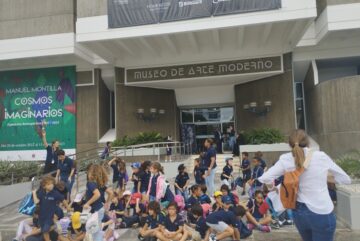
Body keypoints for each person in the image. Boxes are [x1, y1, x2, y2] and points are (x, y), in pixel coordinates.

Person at [258, 129, 351, 241]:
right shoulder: (320, 156)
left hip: (299, 212)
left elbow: (266, 178)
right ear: (308, 142)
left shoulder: (285, 159)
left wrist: (271, 188)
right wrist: (323, 177)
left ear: (289, 144)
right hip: (321, 211)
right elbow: (345, 179)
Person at [32, 176, 71, 241]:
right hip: (41, 217)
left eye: (52, 183)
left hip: (49, 217)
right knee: (45, 231)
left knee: (45, 231)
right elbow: (36, 202)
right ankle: (56, 227)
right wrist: (33, 193)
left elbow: (63, 199)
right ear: (44, 186)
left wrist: (68, 207)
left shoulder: (55, 193)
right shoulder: (41, 192)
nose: (51, 185)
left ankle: (55, 226)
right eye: (48, 184)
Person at [83, 164, 107, 241]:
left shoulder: (90, 183)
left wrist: (87, 203)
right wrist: (107, 204)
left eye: (88, 171)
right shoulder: (98, 184)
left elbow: (97, 194)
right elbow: (110, 192)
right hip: (99, 209)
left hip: (95, 211)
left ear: (91, 172)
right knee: (97, 231)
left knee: (94, 232)